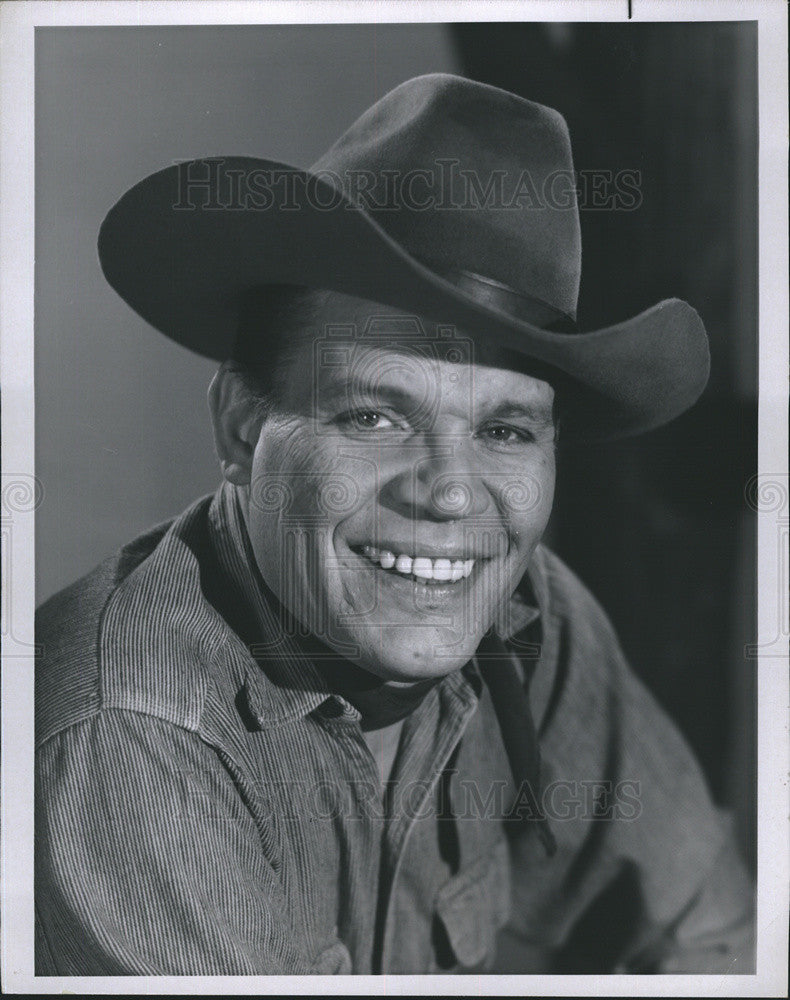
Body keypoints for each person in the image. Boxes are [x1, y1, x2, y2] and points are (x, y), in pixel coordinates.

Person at [35, 73, 754, 976]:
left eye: (504, 430)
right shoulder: (125, 738)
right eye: (374, 417)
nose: (452, 497)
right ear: (240, 424)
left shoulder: (531, 619)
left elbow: (713, 937)